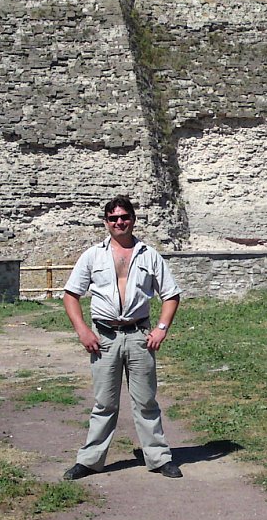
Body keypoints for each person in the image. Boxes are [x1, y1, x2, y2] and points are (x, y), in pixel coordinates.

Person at [61, 195, 183, 480]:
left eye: (124, 217)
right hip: (104, 338)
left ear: (133, 219)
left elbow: (171, 295)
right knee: (105, 403)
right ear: (106, 222)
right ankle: (90, 460)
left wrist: (161, 328)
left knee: (146, 401)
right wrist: (83, 330)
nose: (119, 222)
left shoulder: (149, 255)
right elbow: (71, 295)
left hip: (139, 335)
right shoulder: (93, 255)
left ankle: (158, 458)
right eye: (113, 218)